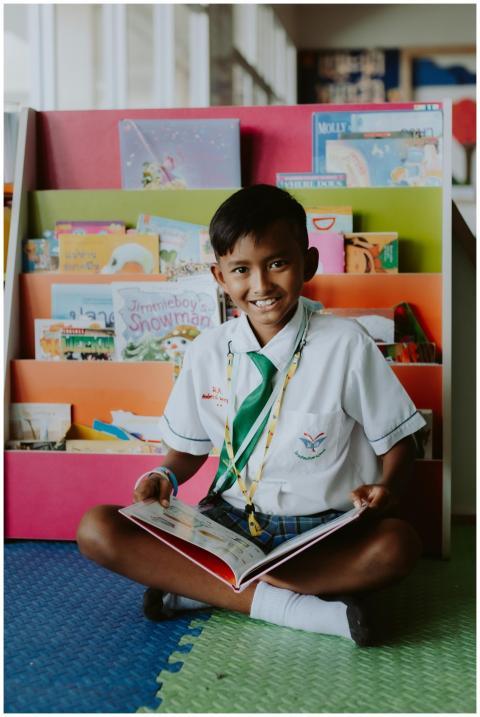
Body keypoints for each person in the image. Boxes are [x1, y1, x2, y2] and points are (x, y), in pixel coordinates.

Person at [77, 185, 425, 646]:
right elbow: (186, 450)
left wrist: (386, 489)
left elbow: (401, 443)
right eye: (241, 270)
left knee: (397, 546)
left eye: (277, 263)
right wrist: (165, 475)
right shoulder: (205, 351)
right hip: (228, 525)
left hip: (320, 533)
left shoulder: (346, 343)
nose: (260, 286)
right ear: (219, 276)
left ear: (309, 263)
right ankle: (305, 610)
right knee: (97, 529)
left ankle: (203, 589)